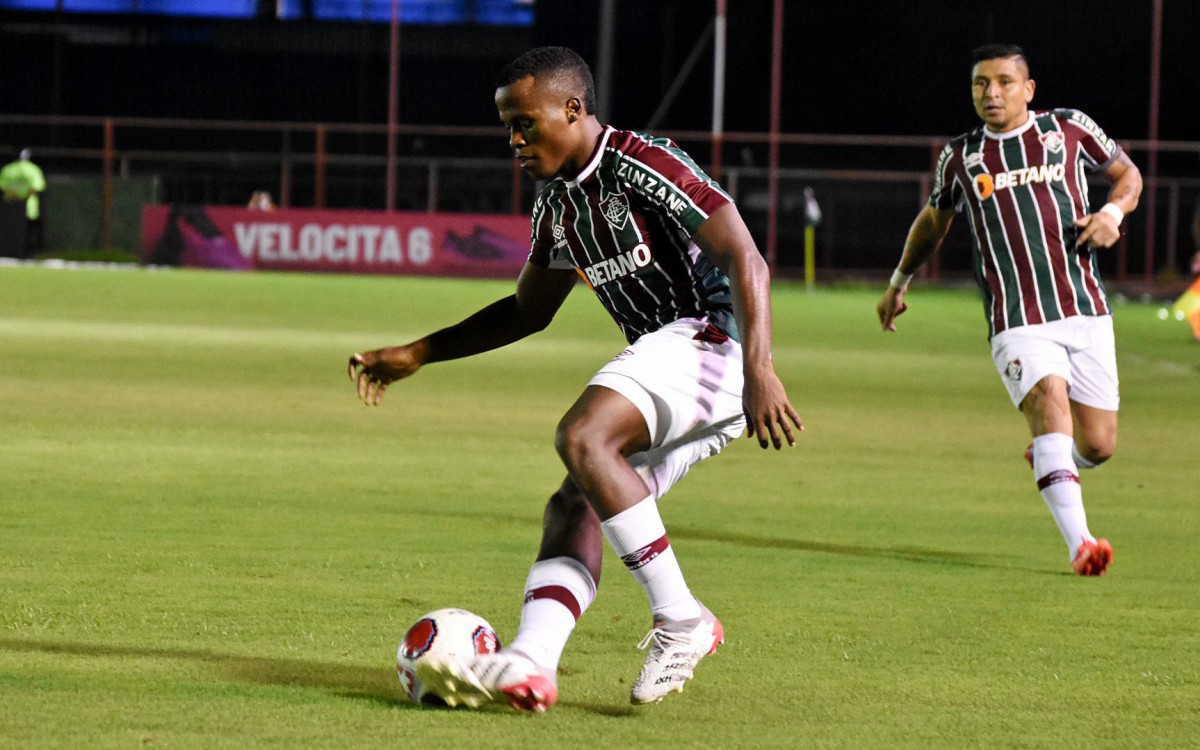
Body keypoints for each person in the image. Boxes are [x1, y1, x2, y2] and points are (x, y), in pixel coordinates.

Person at [349, 46, 801, 711]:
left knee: (584, 436)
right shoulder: (556, 206)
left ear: (573, 109)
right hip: (679, 367)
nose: (515, 140)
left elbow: (745, 255)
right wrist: (421, 352)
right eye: (508, 125)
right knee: (575, 504)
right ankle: (531, 663)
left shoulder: (642, 161)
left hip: (711, 343)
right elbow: (527, 310)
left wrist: (758, 365)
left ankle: (682, 617)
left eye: (525, 123)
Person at [876, 44, 1142, 576]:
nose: (990, 93)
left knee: (1099, 444)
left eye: (1002, 82)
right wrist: (898, 280)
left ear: (1028, 89)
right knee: (1048, 399)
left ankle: (1050, 457)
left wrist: (1112, 212)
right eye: (980, 84)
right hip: (1016, 318)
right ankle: (1081, 544)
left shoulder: (1068, 129)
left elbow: (1128, 176)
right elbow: (934, 221)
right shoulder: (962, 156)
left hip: (1084, 308)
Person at [0, 148, 46, 257]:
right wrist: (24, 197)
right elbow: (37, 187)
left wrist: (15, 196)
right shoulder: (33, 169)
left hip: (10, 207)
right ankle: (29, 255)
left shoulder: (8, 169)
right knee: (30, 233)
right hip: (29, 207)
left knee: (9, 232)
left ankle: (9, 253)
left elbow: (3, 186)